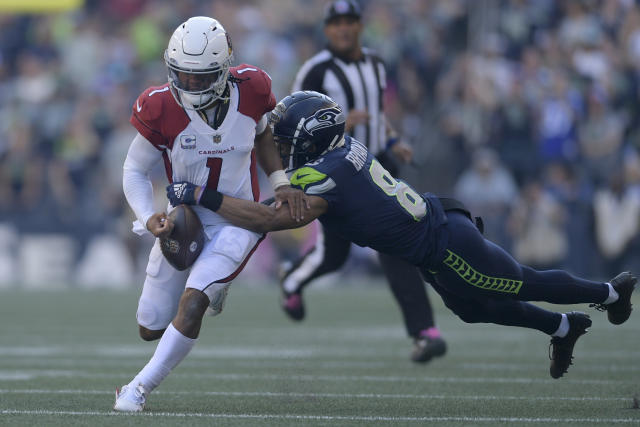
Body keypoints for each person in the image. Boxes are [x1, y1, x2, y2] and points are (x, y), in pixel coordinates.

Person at [167, 91, 637, 380]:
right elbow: (271, 210)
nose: (285, 151)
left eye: (289, 142)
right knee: (470, 310)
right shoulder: (341, 151)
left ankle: (610, 292)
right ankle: (563, 327)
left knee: (519, 281)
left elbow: (270, 220)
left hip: (445, 245)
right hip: (436, 236)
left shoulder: (324, 177)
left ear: (310, 138)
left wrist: (201, 195)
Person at [115, 17, 305, 412]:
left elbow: (263, 133)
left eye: (201, 78)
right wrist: (150, 216)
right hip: (183, 221)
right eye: (182, 75)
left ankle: (136, 389)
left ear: (223, 70)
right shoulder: (159, 104)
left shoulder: (253, 88)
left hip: (239, 218)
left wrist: (280, 180)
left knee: (194, 302)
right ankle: (210, 286)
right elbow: (134, 169)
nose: (190, 85)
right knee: (149, 327)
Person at [281, 0, 446, 363]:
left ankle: (424, 332)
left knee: (399, 247)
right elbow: (291, 122)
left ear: (360, 25)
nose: (343, 28)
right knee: (334, 255)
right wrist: (340, 127)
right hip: (338, 171)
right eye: (336, 22)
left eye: (349, 21)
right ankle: (292, 279)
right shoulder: (315, 70)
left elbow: (379, 113)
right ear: (327, 29)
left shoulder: (375, 63)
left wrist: (390, 139)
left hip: (378, 165)